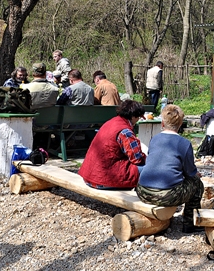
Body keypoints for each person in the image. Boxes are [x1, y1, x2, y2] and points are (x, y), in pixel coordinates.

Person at [136, 104, 204, 234]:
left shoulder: (154, 139)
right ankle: (190, 223)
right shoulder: (184, 143)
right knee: (197, 184)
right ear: (180, 124)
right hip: (166, 195)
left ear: (162, 123)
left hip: (142, 191)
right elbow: (190, 172)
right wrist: (196, 174)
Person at [77, 100, 146, 189]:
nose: (138, 120)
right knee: (149, 169)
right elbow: (137, 159)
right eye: (138, 117)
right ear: (133, 116)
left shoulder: (111, 122)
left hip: (89, 175)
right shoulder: (125, 131)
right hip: (104, 179)